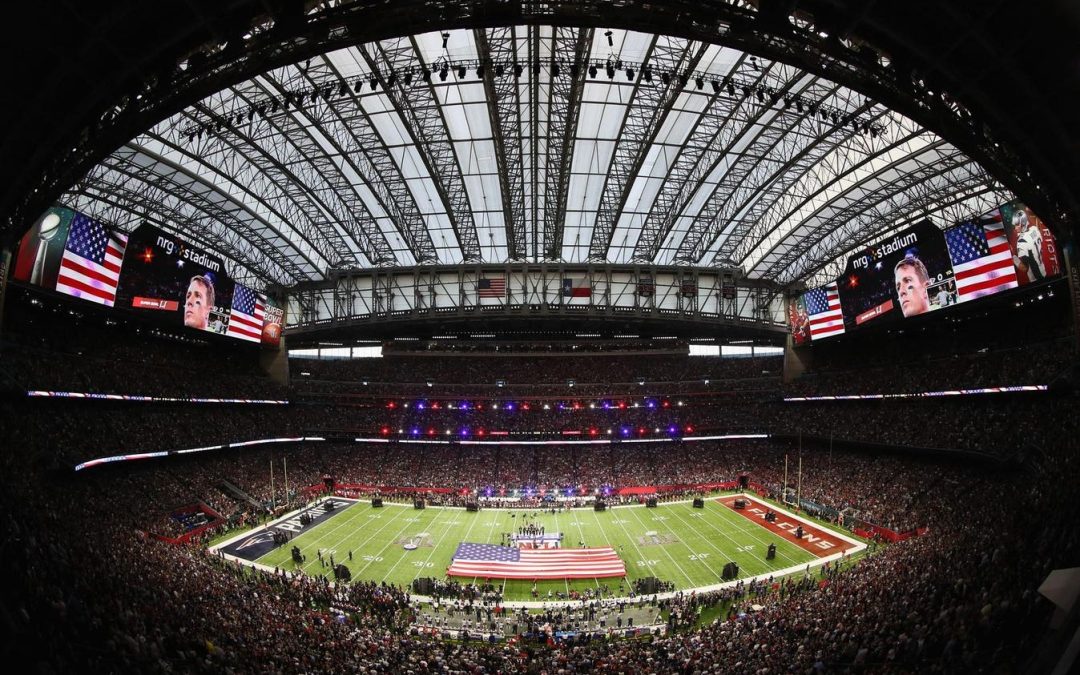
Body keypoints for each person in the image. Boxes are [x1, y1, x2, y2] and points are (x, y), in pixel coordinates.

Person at [1012, 209, 1046, 281]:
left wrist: (1012, 256)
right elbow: (1039, 233)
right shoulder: (1034, 229)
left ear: (1023, 223)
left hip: (1037, 279)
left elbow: (1025, 268)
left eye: (1017, 224)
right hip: (1043, 271)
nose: (1015, 227)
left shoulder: (1022, 241)